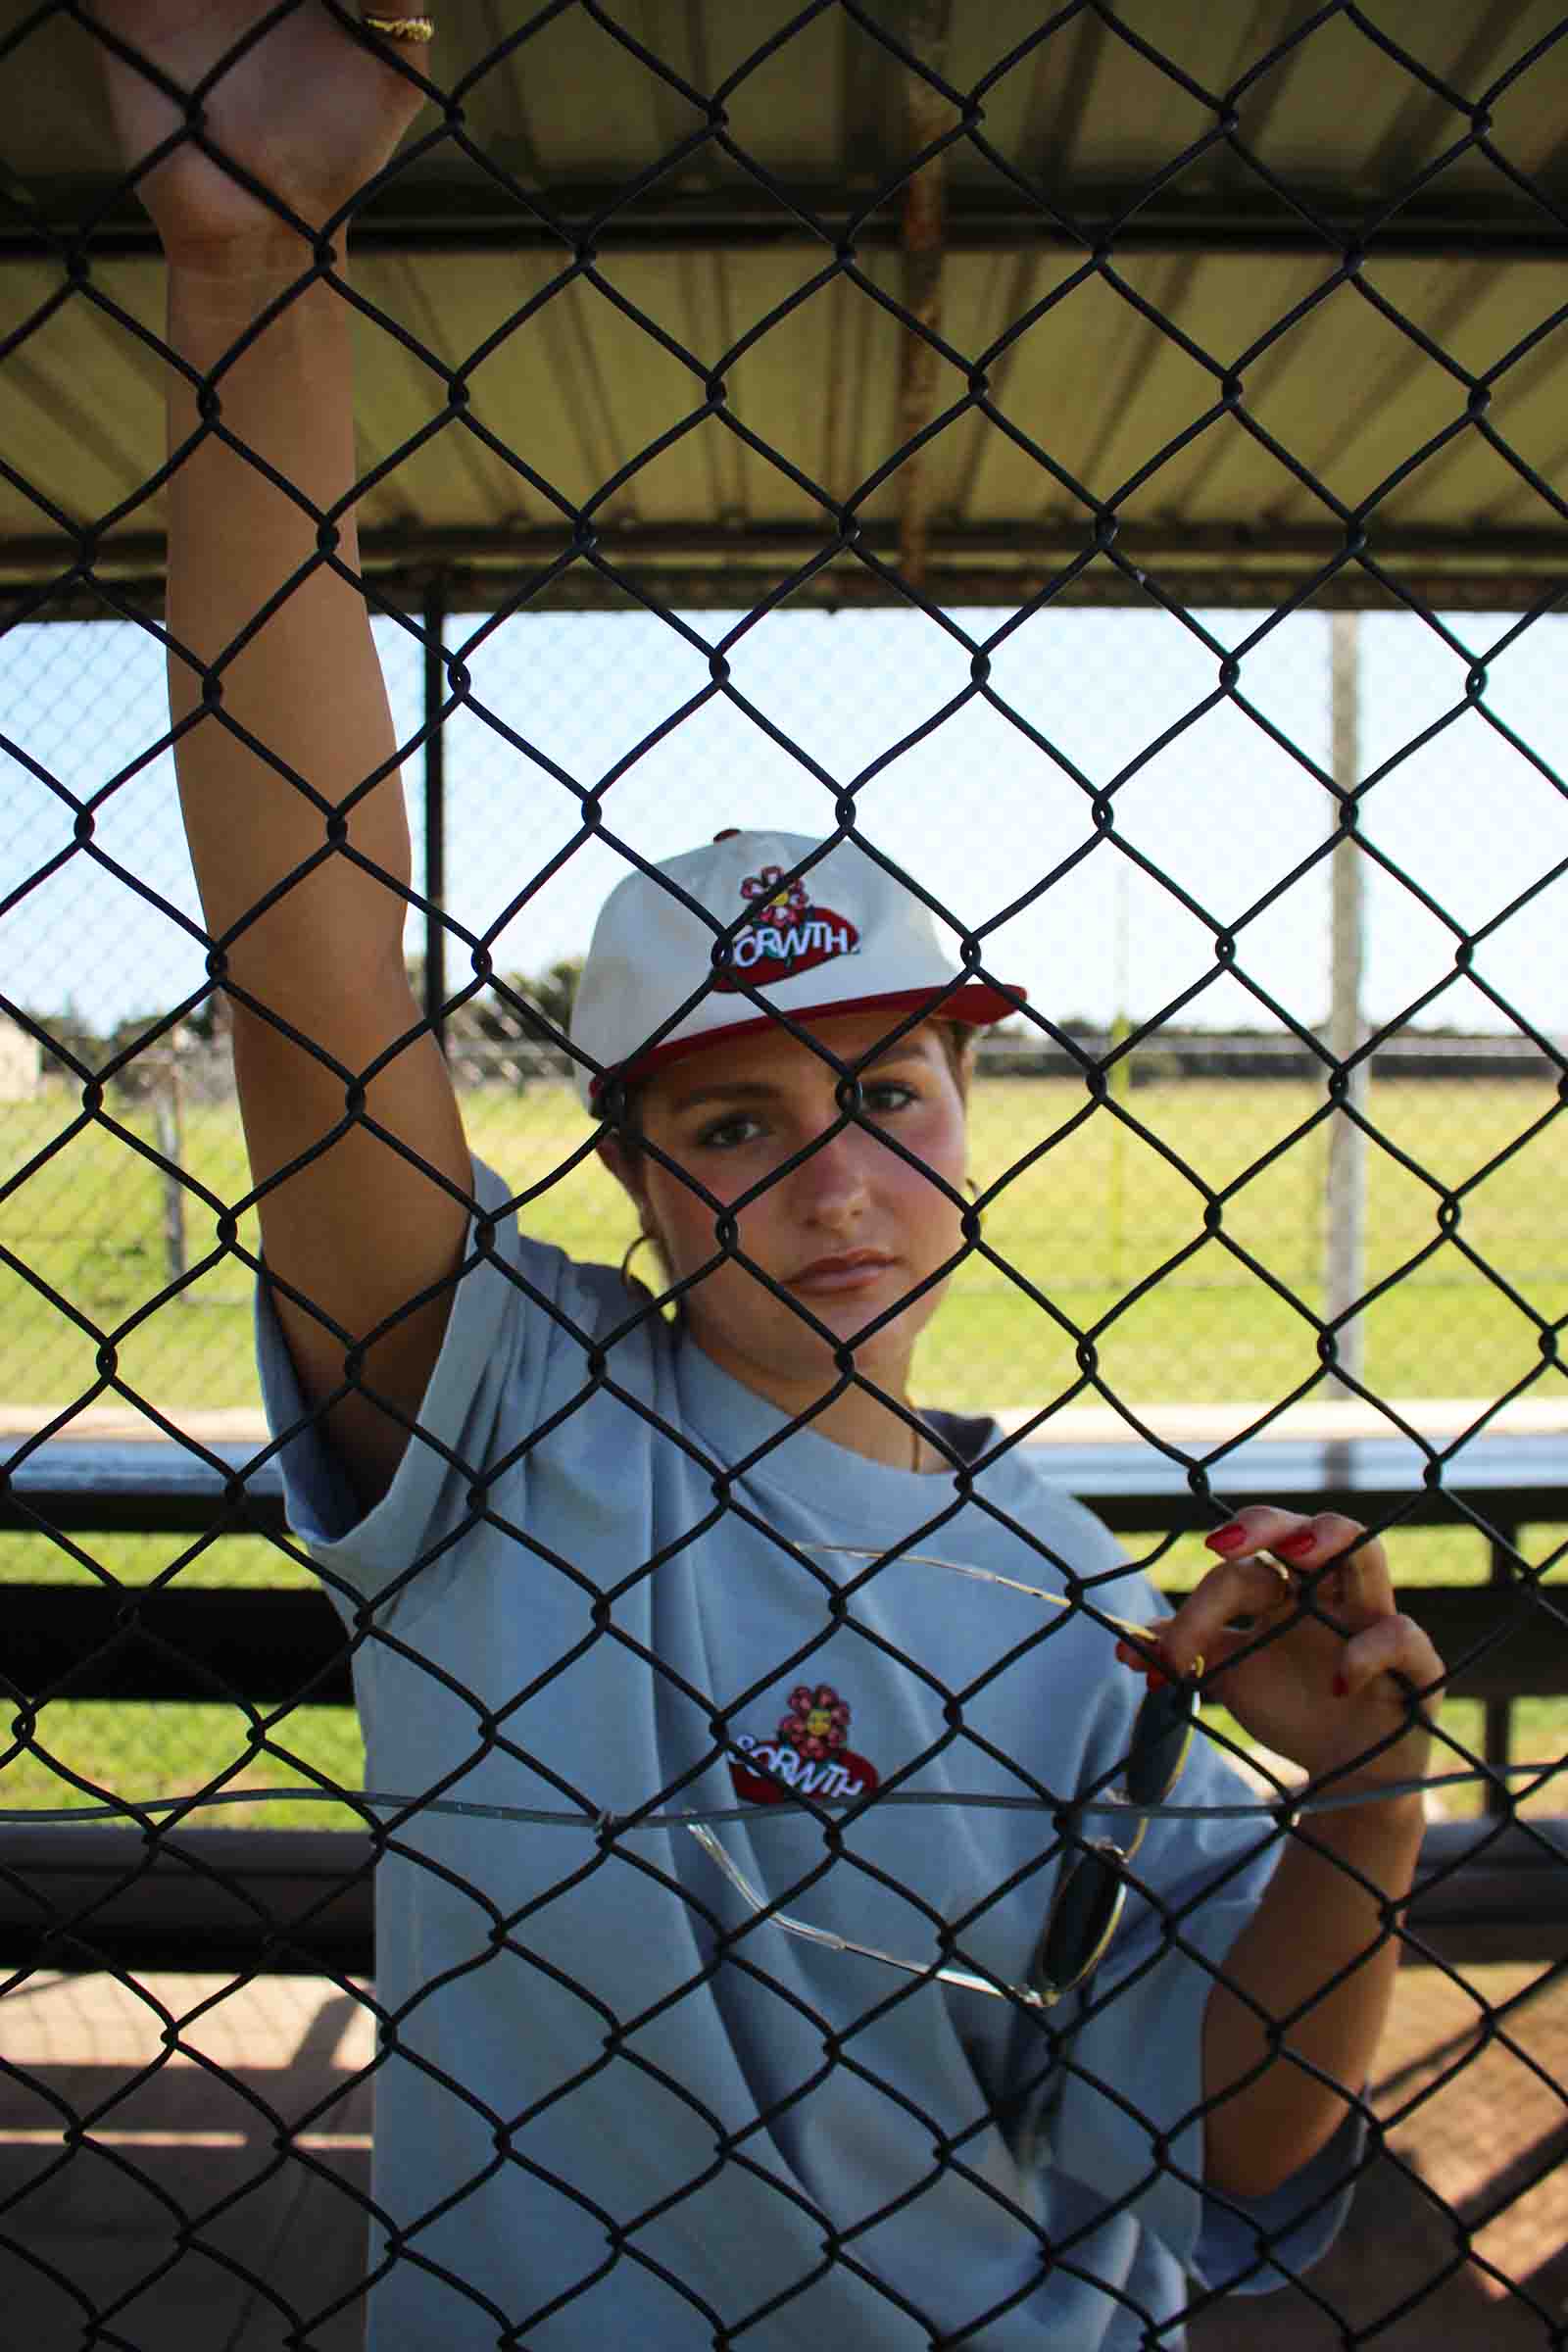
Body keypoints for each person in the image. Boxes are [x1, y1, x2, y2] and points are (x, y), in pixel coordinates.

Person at [92, 8, 1446, 2346]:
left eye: (891, 1092)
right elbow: (310, 963)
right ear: (623, 1166)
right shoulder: (517, 1424)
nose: (836, 1180)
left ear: (969, 1113)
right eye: (735, 1120)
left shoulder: (1076, 1608)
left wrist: (1368, 1808)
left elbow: (1225, 2138)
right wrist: (251, 269)